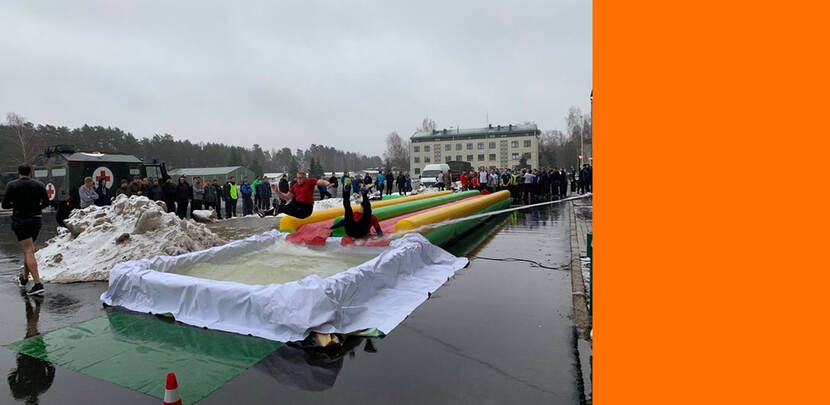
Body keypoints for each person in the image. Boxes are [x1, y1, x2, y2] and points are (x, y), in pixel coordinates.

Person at [2, 164, 49, 295]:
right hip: (36, 220)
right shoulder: (39, 185)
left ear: (19, 173)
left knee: (28, 250)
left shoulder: (12, 185)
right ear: (30, 173)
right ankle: (24, 278)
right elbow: (46, 202)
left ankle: (38, 284)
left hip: (21, 220)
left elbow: (5, 204)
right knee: (29, 250)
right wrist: (36, 207)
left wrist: (17, 205)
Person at [263, 171, 332, 219]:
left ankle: (278, 209)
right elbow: (287, 197)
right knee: (283, 207)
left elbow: (320, 181)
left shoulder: (310, 181)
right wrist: (278, 192)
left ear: (305, 178)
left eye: (301, 178)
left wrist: (327, 183)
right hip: (297, 211)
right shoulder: (295, 186)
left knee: (295, 201)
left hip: (306, 209)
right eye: (298, 178)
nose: (299, 179)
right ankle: (265, 213)